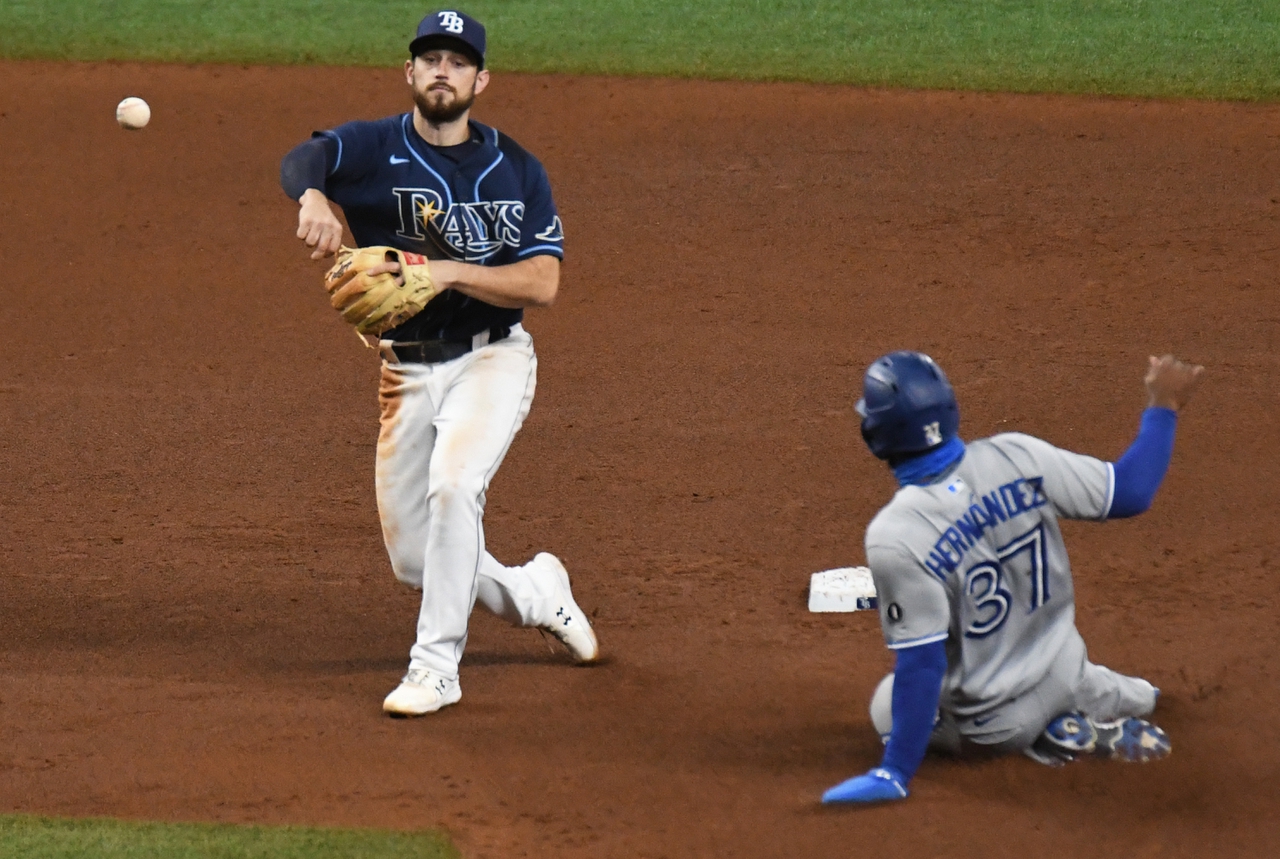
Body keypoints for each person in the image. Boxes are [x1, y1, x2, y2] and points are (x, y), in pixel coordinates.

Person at [279, 9, 598, 717]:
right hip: (404, 372)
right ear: (410, 73)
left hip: (492, 362)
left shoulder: (517, 169)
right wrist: (312, 195)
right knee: (417, 561)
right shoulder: (370, 148)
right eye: (431, 60)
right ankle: (537, 593)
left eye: (458, 62)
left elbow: (542, 283)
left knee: (455, 489)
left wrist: (448, 272)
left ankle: (436, 667)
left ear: (481, 78)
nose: (443, 71)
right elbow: (303, 158)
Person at [823, 351, 1203, 804]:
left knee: (887, 704)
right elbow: (1131, 491)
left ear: (877, 435)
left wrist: (895, 772)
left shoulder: (896, 536)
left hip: (997, 724)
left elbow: (921, 667)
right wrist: (1163, 405)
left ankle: (1053, 740)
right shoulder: (1018, 454)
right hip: (1068, 666)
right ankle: (1113, 696)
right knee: (1141, 695)